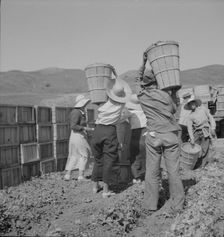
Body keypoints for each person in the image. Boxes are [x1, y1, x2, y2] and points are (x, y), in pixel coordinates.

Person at [136, 52, 185, 215]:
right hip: (170, 136)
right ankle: (177, 205)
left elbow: (137, 80)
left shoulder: (142, 96)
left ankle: (150, 204)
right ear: (158, 82)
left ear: (145, 83)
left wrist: (143, 62)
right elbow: (174, 109)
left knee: (152, 171)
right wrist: (173, 92)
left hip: (153, 136)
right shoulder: (165, 96)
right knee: (174, 171)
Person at [91, 79, 130, 198]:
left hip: (97, 130)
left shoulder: (103, 105)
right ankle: (106, 190)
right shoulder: (121, 105)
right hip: (109, 131)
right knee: (109, 159)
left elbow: (111, 93)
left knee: (98, 159)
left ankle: (95, 186)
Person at [64, 94, 93, 181]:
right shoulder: (77, 112)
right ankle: (81, 175)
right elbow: (73, 126)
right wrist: (85, 128)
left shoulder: (78, 112)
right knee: (84, 154)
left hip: (75, 135)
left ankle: (68, 175)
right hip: (78, 135)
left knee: (74, 154)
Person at [184, 97, 216, 168]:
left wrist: (213, 128)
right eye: (190, 104)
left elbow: (210, 117)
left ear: (195, 103)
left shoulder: (203, 109)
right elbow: (189, 128)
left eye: (193, 102)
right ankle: (195, 165)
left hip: (205, 132)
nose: (192, 104)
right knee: (195, 149)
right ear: (189, 106)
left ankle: (202, 166)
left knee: (205, 149)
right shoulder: (190, 116)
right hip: (196, 133)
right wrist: (192, 138)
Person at [125, 93, 147, 184]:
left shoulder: (130, 113)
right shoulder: (145, 111)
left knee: (134, 155)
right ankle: (145, 174)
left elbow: (122, 120)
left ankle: (136, 176)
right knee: (145, 155)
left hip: (135, 133)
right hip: (145, 133)